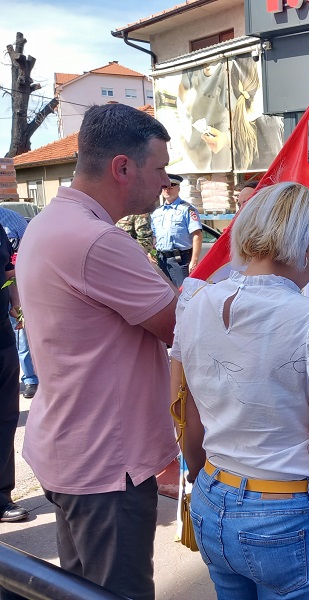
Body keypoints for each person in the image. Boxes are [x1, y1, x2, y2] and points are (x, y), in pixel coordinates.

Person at [172, 182, 309, 598]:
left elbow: (184, 411)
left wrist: (201, 475)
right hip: (287, 512)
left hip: (213, 494)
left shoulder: (194, 302)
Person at [15, 103, 179, 599]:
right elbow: (180, 327)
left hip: (71, 446)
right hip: (107, 465)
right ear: (122, 168)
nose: (166, 180)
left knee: (79, 589)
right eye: (159, 168)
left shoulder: (50, 223)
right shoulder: (97, 240)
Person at [0, 225, 27, 523]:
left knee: (6, 416)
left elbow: (9, 269)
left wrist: (17, 303)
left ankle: (2, 497)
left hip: (3, 334)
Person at [0, 207, 38, 399]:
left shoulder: (13, 219)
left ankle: (29, 378)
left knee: (21, 333)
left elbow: (33, 247)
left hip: (14, 284)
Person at [151, 174, 202, 287]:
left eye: (171, 186)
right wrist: (152, 253)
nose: (167, 190)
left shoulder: (187, 209)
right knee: (166, 295)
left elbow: (197, 235)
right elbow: (155, 237)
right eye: (164, 187)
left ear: (178, 188)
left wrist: (194, 260)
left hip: (180, 260)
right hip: (161, 260)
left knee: (183, 294)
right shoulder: (156, 213)